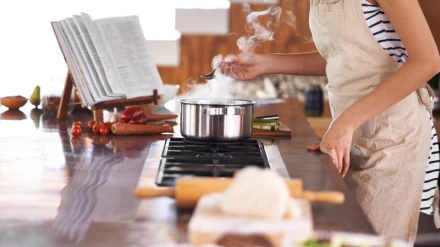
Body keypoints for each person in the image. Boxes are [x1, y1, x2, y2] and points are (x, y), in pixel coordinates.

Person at [219, 0, 440, 244]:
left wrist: (345, 123)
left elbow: (427, 61)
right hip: (350, 135)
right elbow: (343, 56)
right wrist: (267, 63)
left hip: (394, 136)